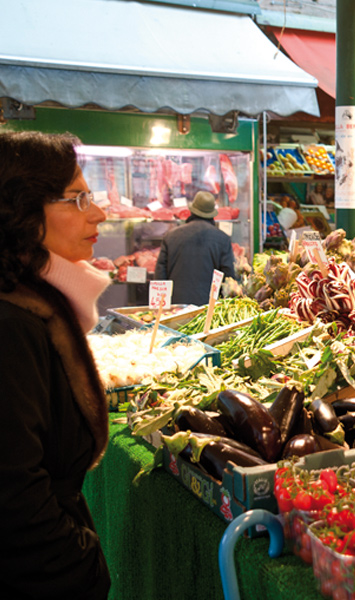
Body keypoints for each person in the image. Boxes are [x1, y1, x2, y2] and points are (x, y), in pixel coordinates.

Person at [0, 131, 111, 599]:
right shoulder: (11, 325)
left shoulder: (36, 303)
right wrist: (80, 562)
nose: (99, 213)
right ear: (22, 211)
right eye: (77, 198)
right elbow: (13, 493)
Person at [154, 191, 238, 305]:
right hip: (208, 308)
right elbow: (228, 277)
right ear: (212, 215)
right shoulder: (223, 239)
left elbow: (160, 276)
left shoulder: (170, 236)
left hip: (176, 307)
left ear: (192, 211)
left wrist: (162, 307)